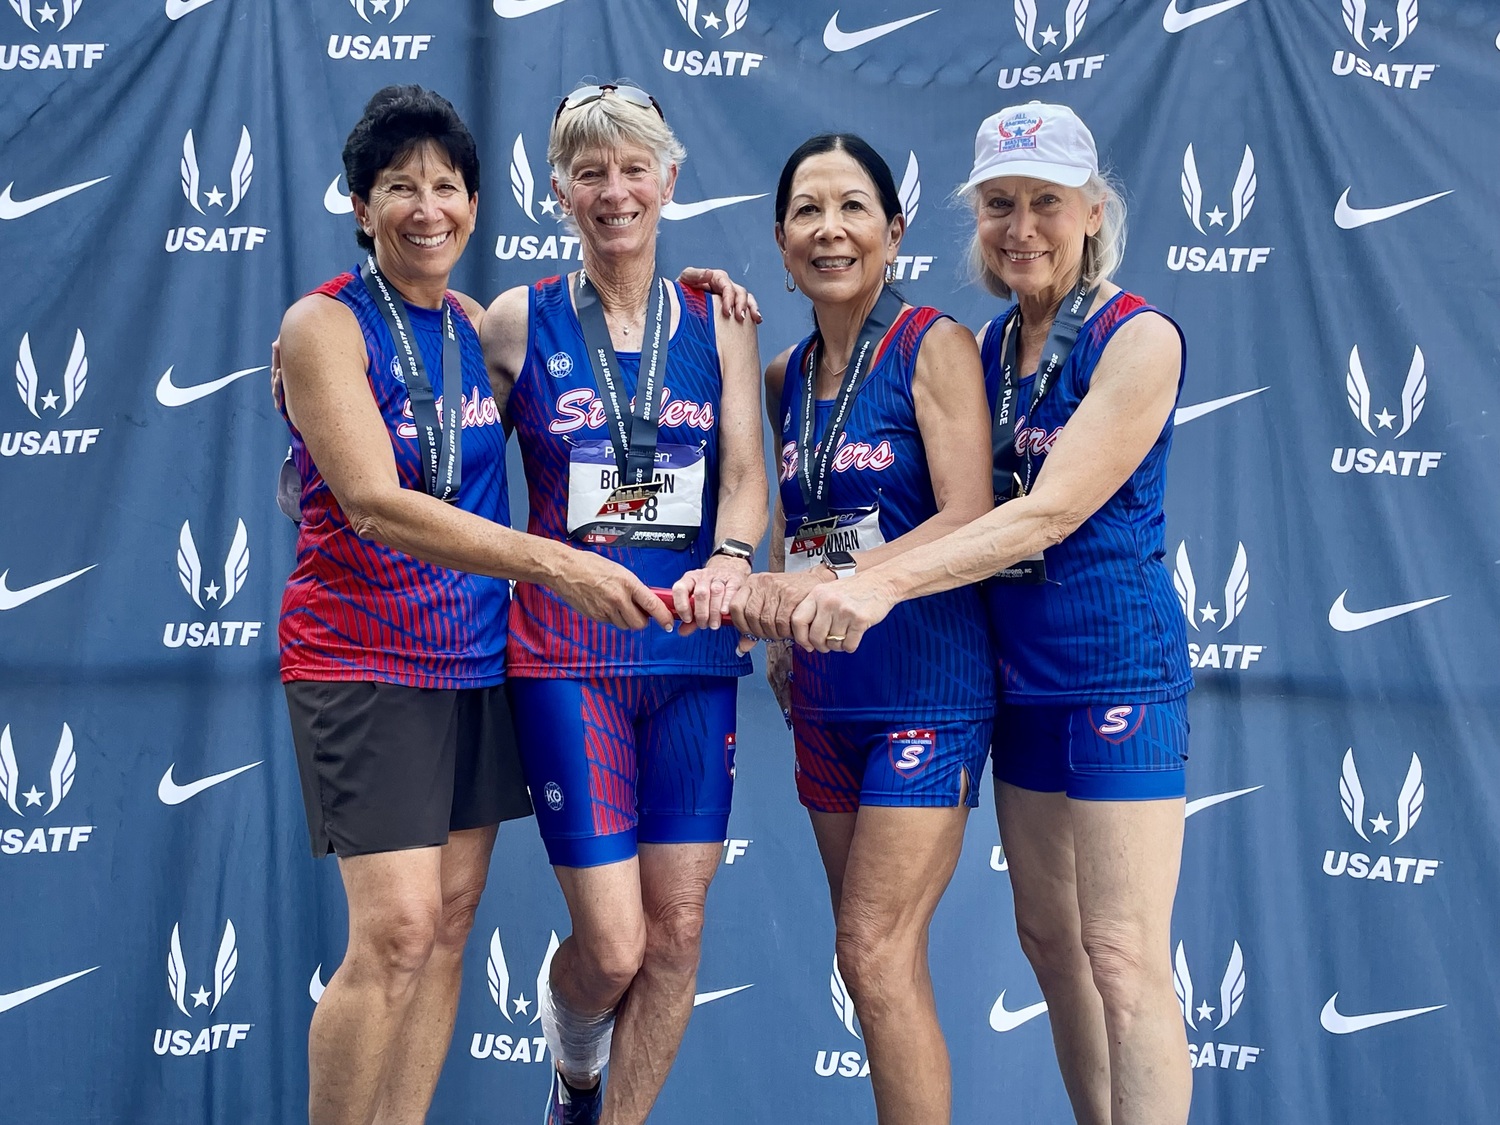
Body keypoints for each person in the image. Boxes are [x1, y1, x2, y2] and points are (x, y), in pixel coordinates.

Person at [272, 84, 722, 1125]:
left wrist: (698, 285)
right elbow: (376, 504)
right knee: (393, 932)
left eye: (445, 186)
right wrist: (553, 564)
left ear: (476, 204)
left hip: (475, 662)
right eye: (399, 188)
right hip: (363, 662)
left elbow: (617, 324)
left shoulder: (473, 328)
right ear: (360, 205)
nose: (425, 207)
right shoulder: (323, 324)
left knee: (450, 926)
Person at [793, 102, 1194, 1125]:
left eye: (1047, 204)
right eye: (1001, 205)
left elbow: (1043, 514)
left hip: (1114, 677)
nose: (1022, 228)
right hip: (1014, 682)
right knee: (1051, 943)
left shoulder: (1137, 337)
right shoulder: (983, 346)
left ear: (1094, 211)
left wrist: (877, 584)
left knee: (1122, 953)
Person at [479, 83, 766, 1125]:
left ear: (670, 178)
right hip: (566, 658)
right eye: (590, 173)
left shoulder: (720, 318)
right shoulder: (519, 318)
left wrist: (735, 554)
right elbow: (440, 418)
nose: (615, 192)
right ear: (558, 190)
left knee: (679, 934)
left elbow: (743, 475)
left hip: (690, 663)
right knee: (614, 946)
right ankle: (577, 1069)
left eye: (633, 168)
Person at [728, 134, 994, 1125]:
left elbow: (968, 516)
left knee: (876, 949)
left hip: (927, 690)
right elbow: (775, 507)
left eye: (851, 208)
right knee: (862, 955)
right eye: (807, 210)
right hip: (828, 699)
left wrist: (810, 590)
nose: (829, 229)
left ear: (894, 229)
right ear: (782, 237)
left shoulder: (934, 344)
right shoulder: (788, 374)